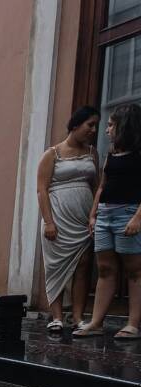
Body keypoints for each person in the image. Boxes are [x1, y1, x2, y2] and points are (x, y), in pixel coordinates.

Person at [75, 103, 141, 340]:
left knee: (134, 271)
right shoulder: (111, 154)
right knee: (104, 269)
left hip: (128, 214)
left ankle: (133, 324)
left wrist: (137, 219)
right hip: (105, 214)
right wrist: (93, 214)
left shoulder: (139, 155)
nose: (106, 130)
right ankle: (96, 322)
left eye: (111, 125)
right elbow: (102, 186)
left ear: (125, 126)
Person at [36, 106, 100, 332]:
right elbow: (41, 190)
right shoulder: (52, 154)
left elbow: (96, 186)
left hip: (83, 219)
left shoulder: (92, 152)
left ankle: (78, 316)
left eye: (96, 126)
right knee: (55, 266)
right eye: (89, 125)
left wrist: (94, 213)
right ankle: (56, 317)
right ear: (75, 125)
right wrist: (49, 222)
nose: (93, 130)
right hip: (58, 218)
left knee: (83, 266)